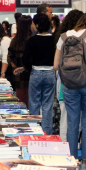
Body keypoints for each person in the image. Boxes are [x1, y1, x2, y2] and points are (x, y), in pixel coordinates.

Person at [15, 13, 56, 135]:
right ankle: (47, 133)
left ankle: (34, 132)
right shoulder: (54, 39)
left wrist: (27, 68)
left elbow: (26, 59)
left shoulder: (32, 40)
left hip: (36, 73)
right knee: (47, 105)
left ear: (37, 25)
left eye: (33, 23)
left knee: (34, 104)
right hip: (50, 73)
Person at [54, 14, 86, 165]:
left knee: (72, 121)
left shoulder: (64, 36)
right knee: (85, 121)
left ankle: (72, 159)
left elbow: (55, 65)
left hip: (68, 85)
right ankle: (85, 158)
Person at [7, 16, 32, 107]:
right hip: (31, 74)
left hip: (18, 76)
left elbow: (9, 57)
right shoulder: (32, 40)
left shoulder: (14, 41)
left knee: (21, 101)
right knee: (31, 102)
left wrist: (15, 68)